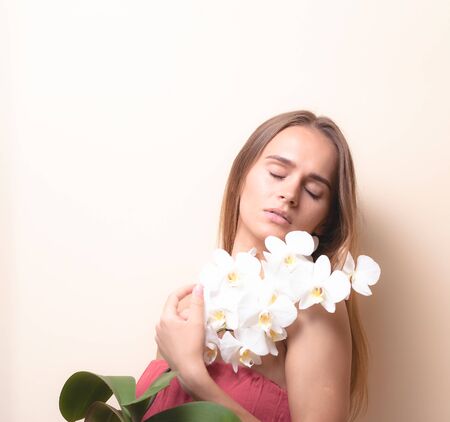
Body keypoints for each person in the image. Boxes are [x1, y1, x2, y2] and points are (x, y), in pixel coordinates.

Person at [136, 110, 369, 422]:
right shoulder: (189, 311)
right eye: (277, 173)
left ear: (325, 223)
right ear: (241, 177)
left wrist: (196, 378)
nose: (289, 194)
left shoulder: (311, 309)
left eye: (314, 191)